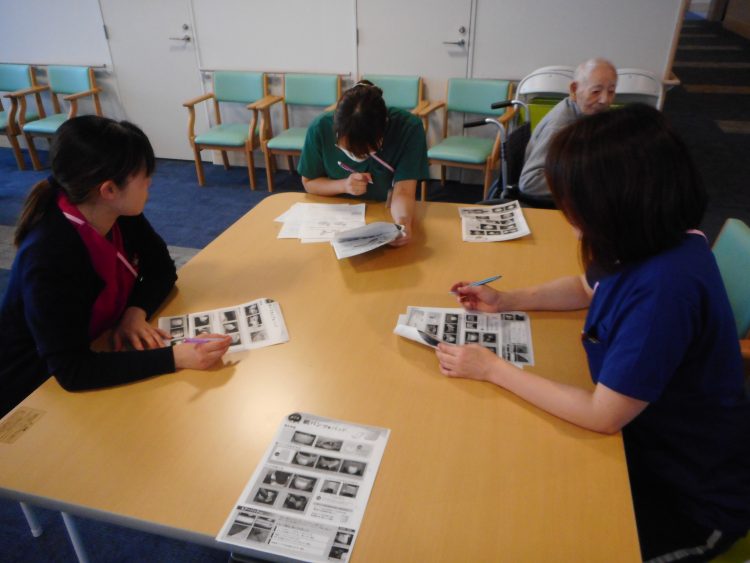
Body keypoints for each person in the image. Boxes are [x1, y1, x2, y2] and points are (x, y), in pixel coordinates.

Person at [437, 104, 750, 562]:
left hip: (688, 496)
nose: (568, 217)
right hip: (640, 442)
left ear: (615, 203)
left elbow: (603, 415)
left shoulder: (665, 290)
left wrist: (492, 369)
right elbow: (587, 287)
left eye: (573, 205)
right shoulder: (647, 237)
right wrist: (507, 300)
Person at [0, 115, 231, 418]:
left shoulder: (117, 212)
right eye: (143, 174)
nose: (150, 181)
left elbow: (162, 269)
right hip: (32, 387)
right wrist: (175, 357)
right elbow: (72, 370)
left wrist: (135, 312)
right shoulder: (48, 256)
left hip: (98, 344)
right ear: (108, 190)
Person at [298, 80, 430, 246]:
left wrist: (402, 224)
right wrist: (344, 185)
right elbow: (309, 182)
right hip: (335, 219)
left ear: (382, 133)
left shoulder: (408, 129)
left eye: (363, 151)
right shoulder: (320, 128)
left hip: (384, 213)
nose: (355, 156)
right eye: (349, 149)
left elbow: (404, 191)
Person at [518, 58, 618, 203]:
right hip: (550, 201)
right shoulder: (559, 127)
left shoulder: (587, 113)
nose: (605, 100)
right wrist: (588, 180)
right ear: (574, 89)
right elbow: (529, 182)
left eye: (611, 91)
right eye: (596, 91)